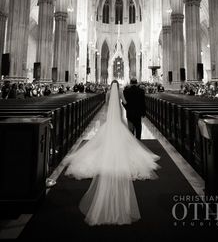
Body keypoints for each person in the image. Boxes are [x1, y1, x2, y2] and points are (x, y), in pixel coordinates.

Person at [64, 80, 160, 225]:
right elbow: (124, 102)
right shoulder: (121, 92)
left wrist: (111, 113)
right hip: (119, 116)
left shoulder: (108, 92)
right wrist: (125, 109)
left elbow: (107, 105)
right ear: (118, 86)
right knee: (124, 134)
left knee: (106, 137)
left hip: (110, 117)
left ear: (110, 86)